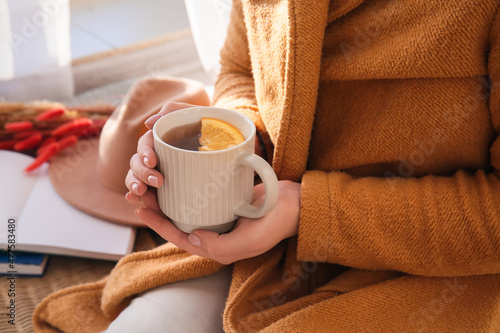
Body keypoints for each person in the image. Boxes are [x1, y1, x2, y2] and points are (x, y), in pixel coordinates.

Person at [104, 0, 500, 331]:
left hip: (441, 267)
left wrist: (312, 211)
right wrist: (238, 141)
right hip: (265, 237)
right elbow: (241, 70)